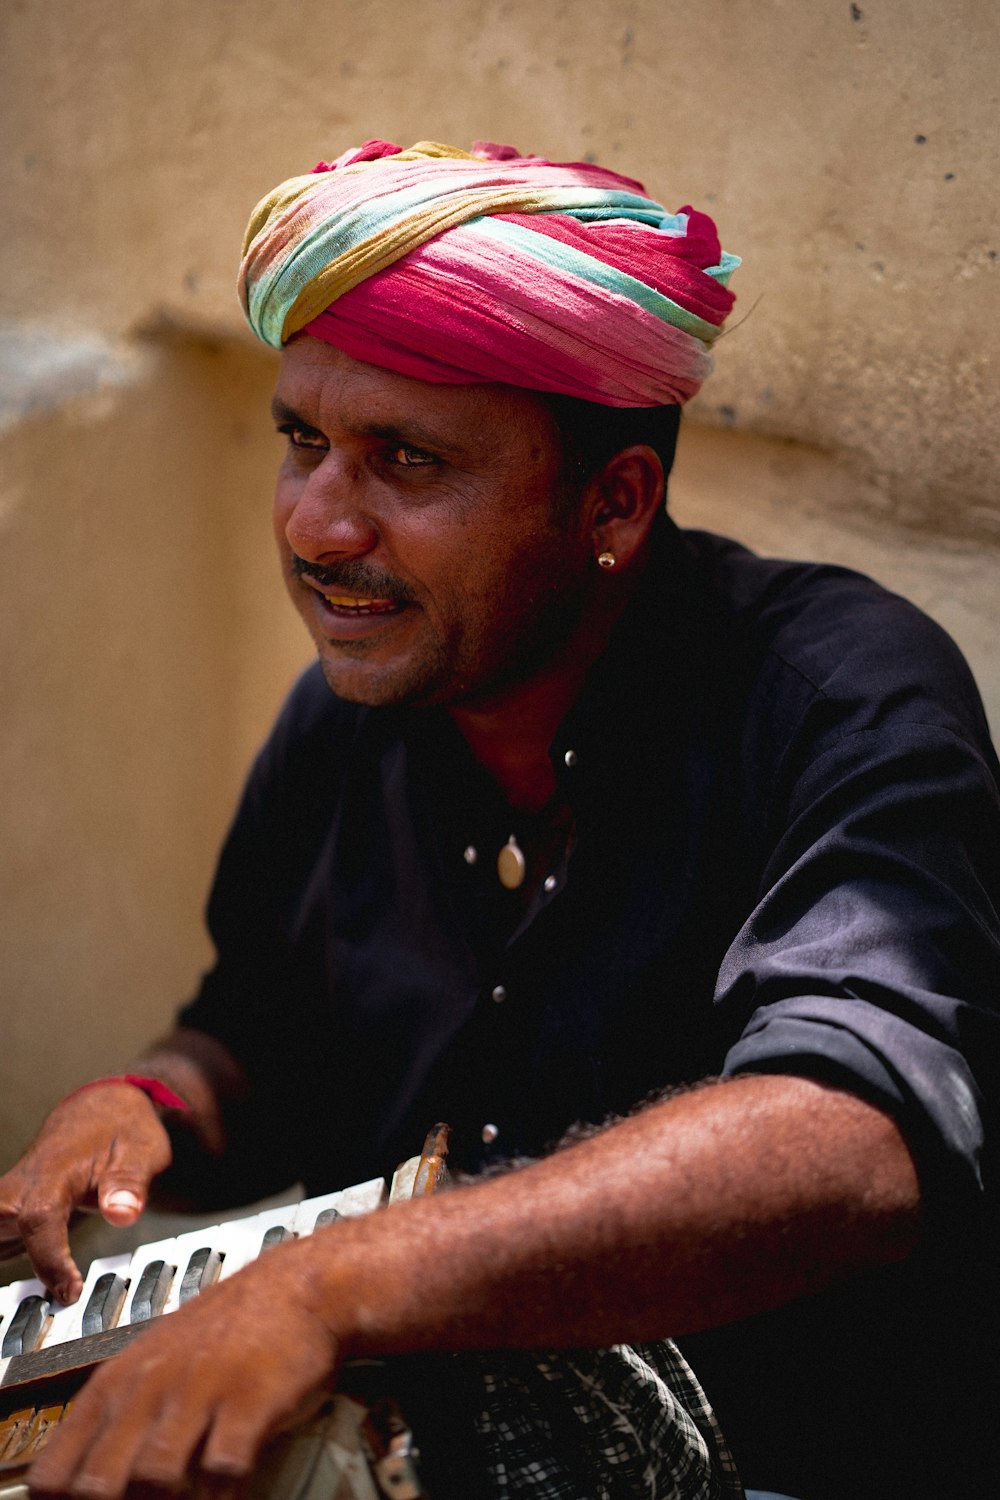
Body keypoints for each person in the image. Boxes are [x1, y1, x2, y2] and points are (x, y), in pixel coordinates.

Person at [2, 139, 998, 1500]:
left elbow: (850, 1141)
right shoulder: (348, 714)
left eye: (403, 461)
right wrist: (148, 1101)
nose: (318, 526)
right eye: (303, 441)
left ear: (614, 502)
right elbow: (255, 1027)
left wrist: (332, 1288)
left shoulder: (841, 700)